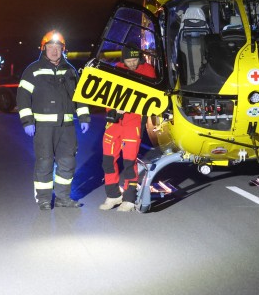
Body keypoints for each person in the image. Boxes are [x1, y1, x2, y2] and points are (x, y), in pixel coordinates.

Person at [16, 30, 91, 210]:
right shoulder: (33, 70)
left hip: (66, 127)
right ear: (44, 48)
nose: (55, 51)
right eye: (51, 47)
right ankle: (43, 199)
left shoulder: (70, 71)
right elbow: (23, 96)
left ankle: (63, 198)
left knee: (67, 162)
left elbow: (80, 97)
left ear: (63, 49)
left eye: (58, 47)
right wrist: (27, 121)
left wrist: (84, 117)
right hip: (43, 128)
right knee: (44, 162)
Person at [99, 45, 156, 212]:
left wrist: (128, 106)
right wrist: (112, 111)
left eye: (134, 60)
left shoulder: (148, 70)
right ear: (123, 59)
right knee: (107, 161)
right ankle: (113, 195)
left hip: (133, 122)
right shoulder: (117, 70)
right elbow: (106, 93)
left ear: (139, 58)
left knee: (129, 162)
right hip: (114, 123)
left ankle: (129, 198)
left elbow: (149, 95)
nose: (131, 64)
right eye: (128, 60)